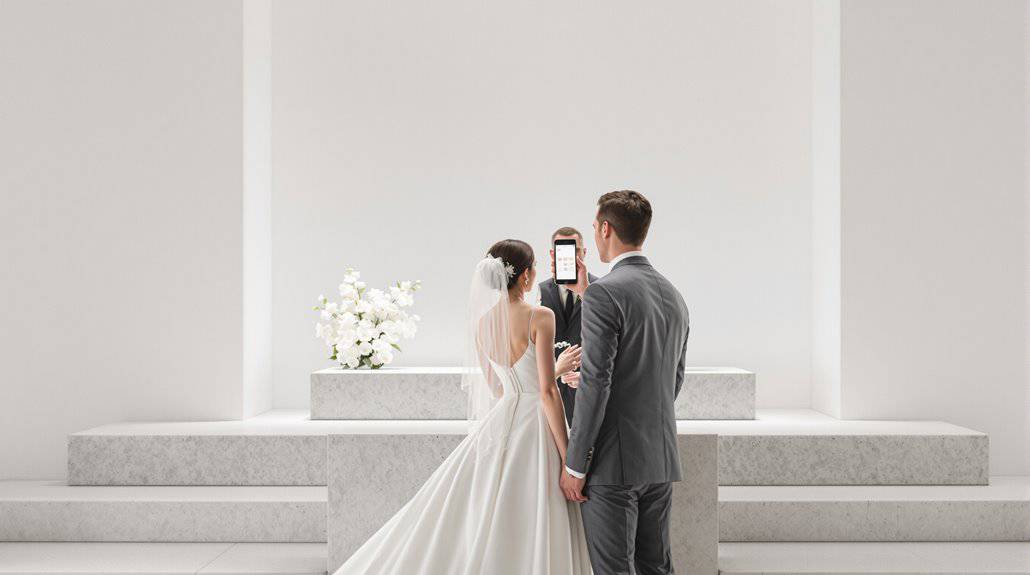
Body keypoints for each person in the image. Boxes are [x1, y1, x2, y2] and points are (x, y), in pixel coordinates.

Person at [334, 239, 591, 574]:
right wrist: (568, 454)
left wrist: (548, 375)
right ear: (526, 276)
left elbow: (500, 389)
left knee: (484, 509)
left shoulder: (483, 324)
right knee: (533, 510)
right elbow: (545, 392)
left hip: (502, 422)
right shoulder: (540, 316)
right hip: (535, 426)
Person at [561, 190, 690, 575]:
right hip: (660, 457)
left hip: (613, 464)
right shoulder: (673, 294)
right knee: (656, 568)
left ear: (604, 228)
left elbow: (596, 384)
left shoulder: (605, 292)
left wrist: (576, 465)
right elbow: (673, 379)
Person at [538, 226, 597, 426]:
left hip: (587, 396)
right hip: (548, 398)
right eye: (562, 250)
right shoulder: (537, 292)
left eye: (576, 250)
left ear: (584, 253)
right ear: (552, 254)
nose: (571, 256)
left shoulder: (600, 290)